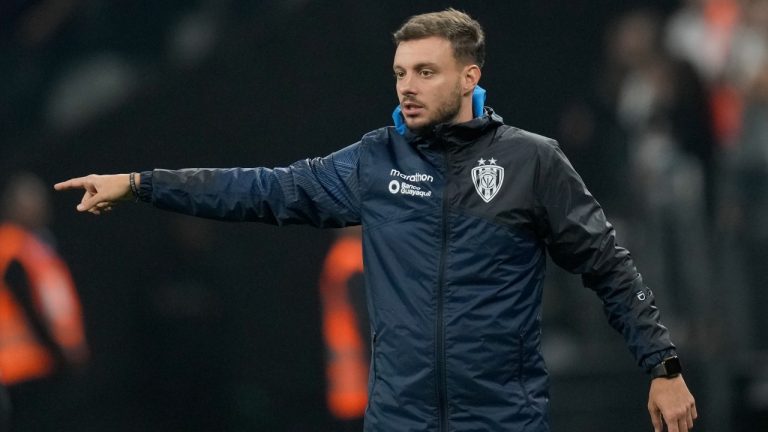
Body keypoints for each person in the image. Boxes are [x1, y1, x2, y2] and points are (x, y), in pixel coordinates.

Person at [54, 8, 696, 432]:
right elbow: (258, 190)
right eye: (399, 74)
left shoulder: (532, 162)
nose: (407, 86)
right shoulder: (372, 163)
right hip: (400, 421)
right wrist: (142, 185)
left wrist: (663, 369)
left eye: (424, 71)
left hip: (502, 421)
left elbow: (610, 269)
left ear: (470, 75)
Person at [0, 172, 89, 430]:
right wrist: (56, 349)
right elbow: (26, 302)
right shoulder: (11, 245)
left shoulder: (37, 245)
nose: (38, 207)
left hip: (46, 363)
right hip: (25, 367)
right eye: (28, 201)